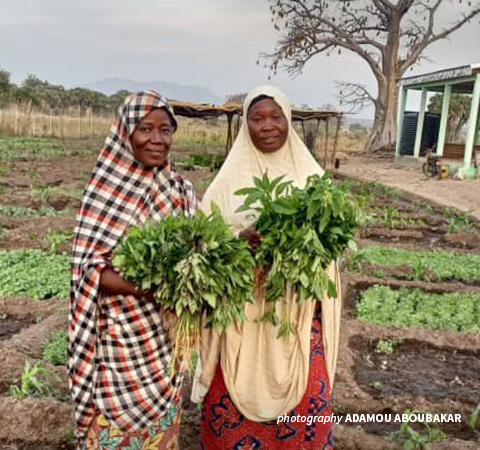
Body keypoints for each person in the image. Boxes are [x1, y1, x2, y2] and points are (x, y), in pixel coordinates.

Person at [192, 85, 341, 449]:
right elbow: (204, 248)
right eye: (257, 119)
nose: (268, 126)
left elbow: (330, 253)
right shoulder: (225, 186)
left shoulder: (311, 179)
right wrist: (240, 241)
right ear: (246, 125)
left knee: (308, 406)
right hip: (240, 317)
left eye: (276, 117)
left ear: (288, 120)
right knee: (228, 412)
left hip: (296, 314)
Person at [69, 91, 197, 450]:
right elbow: (89, 269)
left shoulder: (181, 189)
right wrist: (148, 289)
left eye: (166, 129)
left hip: (166, 340)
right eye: (145, 128)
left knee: (161, 432)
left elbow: (198, 250)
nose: (157, 139)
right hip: (121, 343)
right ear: (126, 132)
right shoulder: (106, 191)